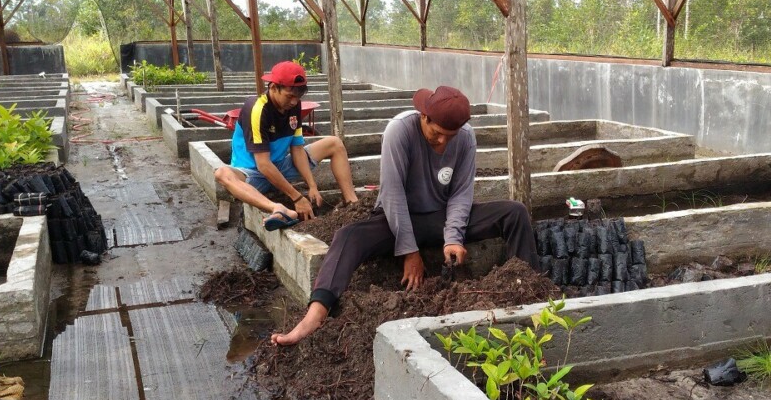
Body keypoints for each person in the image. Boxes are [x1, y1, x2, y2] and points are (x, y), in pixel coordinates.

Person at [272, 85, 539, 345]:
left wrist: (453, 238)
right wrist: (409, 251)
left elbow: (460, 194)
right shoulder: (399, 130)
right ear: (424, 117)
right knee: (347, 236)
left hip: (441, 218)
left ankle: (529, 287)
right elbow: (393, 195)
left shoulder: (466, 137)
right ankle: (316, 313)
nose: (444, 142)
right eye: (437, 133)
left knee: (514, 212)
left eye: (451, 135)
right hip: (395, 219)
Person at [214, 61, 358, 230]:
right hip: (252, 174)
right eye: (289, 96)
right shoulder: (257, 109)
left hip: (280, 167)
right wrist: (297, 198)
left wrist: (312, 186)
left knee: (334, 143)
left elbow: (296, 149)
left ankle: (353, 204)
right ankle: (277, 208)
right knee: (222, 173)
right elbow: (263, 165)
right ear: (274, 87)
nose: (294, 102)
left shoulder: (294, 106)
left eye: (298, 97)